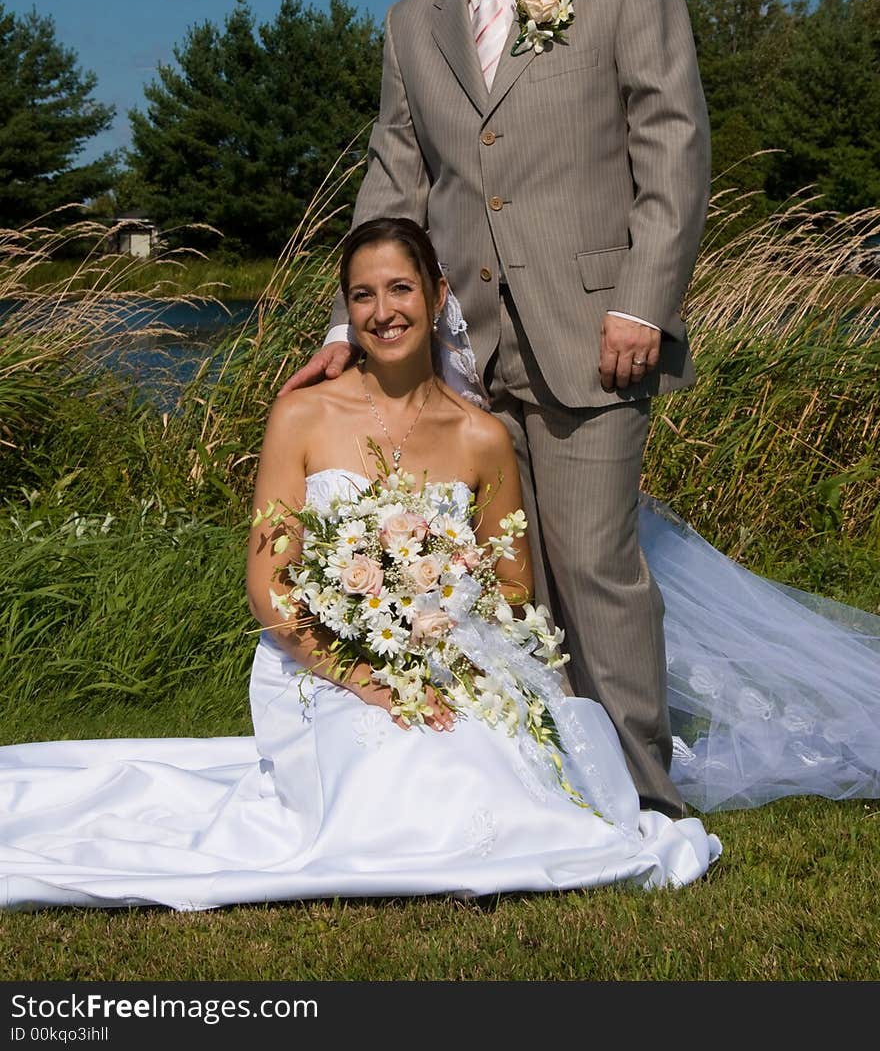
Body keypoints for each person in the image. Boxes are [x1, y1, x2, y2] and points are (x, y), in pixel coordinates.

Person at [1, 218, 877, 911]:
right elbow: (270, 585)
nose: (382, 310)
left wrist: (453, 661)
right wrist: (364, 671)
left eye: (399, 288)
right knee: (386, 782)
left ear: (437, 294)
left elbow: (511, 593)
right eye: (362, 294)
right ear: (346, 308)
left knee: (483, 777)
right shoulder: (301, 416)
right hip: (321, 668)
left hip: (453, 662)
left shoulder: (481, 436)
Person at [282, 0, 712, 819]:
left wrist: (639, 304)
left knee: (594, 567)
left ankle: (643, 800)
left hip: (595, 334)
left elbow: (675, 150)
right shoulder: (410, 22)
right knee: (495, 583)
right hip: (459, 355)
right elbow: (395, 185)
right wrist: (355, 326)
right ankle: (541, 790)